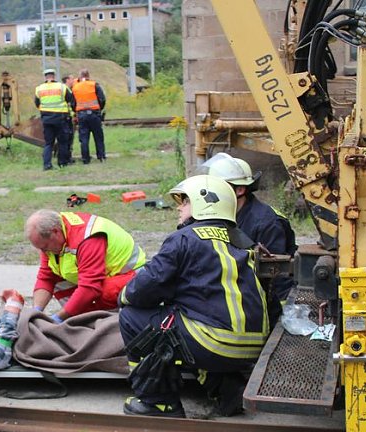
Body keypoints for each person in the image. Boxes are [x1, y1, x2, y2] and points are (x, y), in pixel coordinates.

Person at [119, 175, 270, 418]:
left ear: (204, 203)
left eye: (185, 201)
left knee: (132, 317)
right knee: (187, 323)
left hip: (215, 342)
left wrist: (124, 295)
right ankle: (227, 388)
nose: (179, 207)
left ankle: (157, 401)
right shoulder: (242, 241)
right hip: (252, 346)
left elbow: (146, 287)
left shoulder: (184, 238)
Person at [200, 152, 297, 305]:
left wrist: (281, 317)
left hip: (259, 300)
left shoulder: (267, 223)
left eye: (219, 188)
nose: (212, 194)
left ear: (239, 190)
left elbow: (277, 277)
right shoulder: (219, 214)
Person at [25, 209, 145, 323]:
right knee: (58, 282)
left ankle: (106, 324)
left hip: (132, 276)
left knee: (103, 293)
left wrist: (58, 318)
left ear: (55, 232)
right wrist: (36, 311)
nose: (44, 252)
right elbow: (46, 277)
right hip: (105, 274)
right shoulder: (53, 237)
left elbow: (90, 287)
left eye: (45, 247)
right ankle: (81, 319)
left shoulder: (86, 239)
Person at [34, 68, 74, 171]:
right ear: (54, 76)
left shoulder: (39, 88)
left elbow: (37, 103)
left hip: (47, 119)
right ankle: (62, 163)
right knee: (63, 142)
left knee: (48, 143)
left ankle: (47, 165)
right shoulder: (62, 87)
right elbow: (71, 100)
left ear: (45, 77)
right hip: (61, 118)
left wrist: (44, 112)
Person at [71, 68, 107, 164]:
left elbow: (73, 103)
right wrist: (100, 108)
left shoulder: (75, 87)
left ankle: (85, 159)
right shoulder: (94, 85)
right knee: (98, 136)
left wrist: (76, 111)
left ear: (80, 76)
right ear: (88, 76)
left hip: (81, 115)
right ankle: (101, 156)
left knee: (84, 138)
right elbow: (102, 99)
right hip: (94, 113)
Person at [61, 74, 77, 164]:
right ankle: (67, 158)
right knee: (67, 138)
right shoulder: (65, 89)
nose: (73, 81)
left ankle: (66, 157)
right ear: (67, 80)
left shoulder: (65, 89)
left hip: (66, 116)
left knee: (66, 138)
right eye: (72, 79)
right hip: (66, 117)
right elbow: (72, 103)